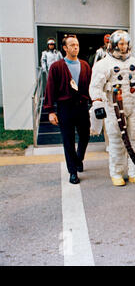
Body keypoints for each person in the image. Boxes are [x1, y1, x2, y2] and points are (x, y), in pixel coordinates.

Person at [89, 30, 135, 187]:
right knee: (116, 142)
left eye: (126, 43)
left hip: (133, 107)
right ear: (114, 45)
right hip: (113, 107)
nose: (124, 47)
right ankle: (116, 173)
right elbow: (95, 86)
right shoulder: (104, 64)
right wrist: (97, 103)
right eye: (121, 44)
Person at [44, 35, 92, 185]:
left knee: (85, 135)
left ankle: (79, 158)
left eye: (77, 44)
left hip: (82, 106)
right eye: (72, 45)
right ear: (65, 48)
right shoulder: (57, 67)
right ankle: (73, 171)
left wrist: (96, 103)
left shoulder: (85, 65)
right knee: (68, 140)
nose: (75, 47)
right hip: (66, 107)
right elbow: (50, 89)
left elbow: (91, 87)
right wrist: (51, 111)